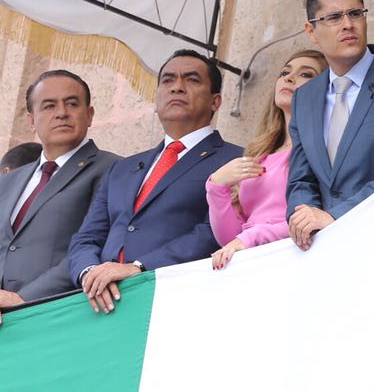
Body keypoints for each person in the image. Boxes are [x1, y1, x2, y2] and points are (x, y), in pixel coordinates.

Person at [66, 51, 241, 313]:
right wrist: (90, 272)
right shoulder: (121, 169)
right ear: (156, 100)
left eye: (192, 80)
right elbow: (87, 236)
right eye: (168, 80)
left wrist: (140, 267)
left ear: (215, 101)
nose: (177, 87)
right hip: (99, 303)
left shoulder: (236, 159)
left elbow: (215, 231)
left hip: (175, 301)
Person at [287, 0, 374, 251]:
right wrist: (303, 219)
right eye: (334, 17)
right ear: (311, 31)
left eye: (355, 13)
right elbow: (301, 178)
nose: (348, 24)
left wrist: (336, 216)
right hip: (322, 247)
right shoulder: (304, 98)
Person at [0, 71, 118, 305]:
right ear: (31, 120)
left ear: (89, 115)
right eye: (49, 106)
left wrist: (24, 298)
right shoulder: (8, 181)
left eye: (72, 104)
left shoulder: (114, 169)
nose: (61, 113)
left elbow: (100, 242)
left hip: (55, 309)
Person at [206, 49, 326, 269]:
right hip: (252, 266)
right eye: (284, 72)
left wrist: (251, 237)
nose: (289, 78)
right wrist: (216, 187)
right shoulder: (261, 156)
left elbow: (314, 220)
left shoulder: (322, 150)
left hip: (294, 262)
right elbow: (230, 240)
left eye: (306, 74)